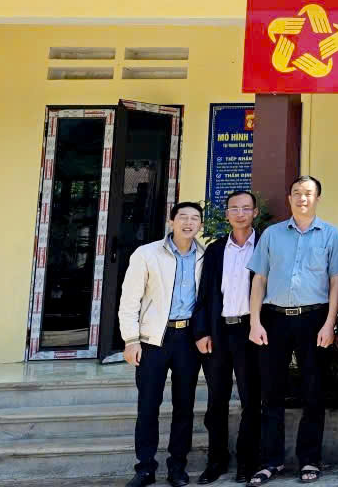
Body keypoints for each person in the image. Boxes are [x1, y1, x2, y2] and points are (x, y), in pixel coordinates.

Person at [246, 176, 338, 486]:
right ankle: (271, 461)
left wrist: (330, 323)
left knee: (313, 392)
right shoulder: (272, 235)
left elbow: (336, 282)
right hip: (273, 319)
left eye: (309, 193)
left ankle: (309, 459)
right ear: (289, 198)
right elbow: (259, 279)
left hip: (314, 319)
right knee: (271, 392)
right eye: (297, 193)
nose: (303, 198)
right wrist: (255, 321)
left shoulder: (331, 235)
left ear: (318, 198)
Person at [119, 201, 206, 487]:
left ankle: (177, 467)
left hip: (188, 340)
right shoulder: (147, 254)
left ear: (200, 225)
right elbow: (129, 300)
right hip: (153, 340)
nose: (188, 223)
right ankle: (145, 468)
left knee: (184, 406)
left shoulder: (205, 256)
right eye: (183, 217)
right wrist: (131, 340)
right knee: (148, 405)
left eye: (195, 218)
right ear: (171, 221)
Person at [193, 191, 261, 485]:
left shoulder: (265, 246)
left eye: (246, 208)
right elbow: (204, 294)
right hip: (219, 332)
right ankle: (216, 460)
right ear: (227, 214)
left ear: (255, 213)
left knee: (251, 399)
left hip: (251, 332)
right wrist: (201, 331)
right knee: (216, 400)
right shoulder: (215, 249)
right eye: (234, 208)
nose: (240, 213)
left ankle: (247, 462)